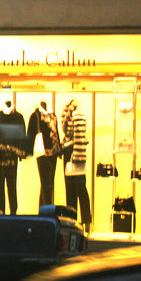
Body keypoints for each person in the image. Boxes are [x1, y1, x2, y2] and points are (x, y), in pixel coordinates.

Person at [61, 98, 92, 232]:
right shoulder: (72, 115)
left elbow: (79, 137)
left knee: (79, 189)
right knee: (72, 189)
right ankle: (73, 221)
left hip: (75, 153)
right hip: (70, 152)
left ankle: (84, 222)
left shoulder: (78, 115)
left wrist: (76, 156)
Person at [26, 101, 62, 206]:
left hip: (53, 153)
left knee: (48, 184)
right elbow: (30, 133)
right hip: (42, 152)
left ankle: (43, 211)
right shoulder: (36, 115)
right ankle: (47, 211)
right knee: (46, 183)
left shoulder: (53, 115)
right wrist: (27, 151)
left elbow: (56, 132)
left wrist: (58, 149)